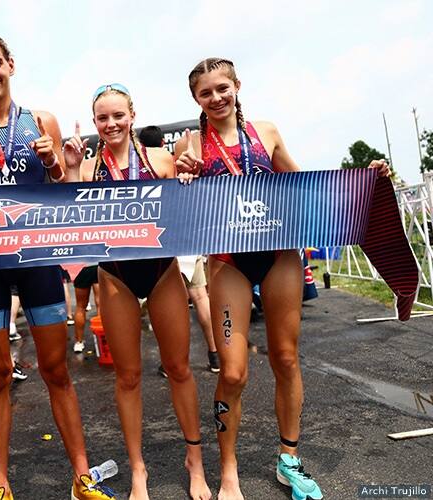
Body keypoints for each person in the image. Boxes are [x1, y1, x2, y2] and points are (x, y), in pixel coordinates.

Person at [173, 57, 390, 500]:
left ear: (237, 86)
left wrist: (361, 179)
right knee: (233, 373)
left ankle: (288, 459)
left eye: (222, 88)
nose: (216, 98)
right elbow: (183, 199)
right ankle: (228, 468)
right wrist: (186, 176)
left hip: (279, 254)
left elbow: (303, 182)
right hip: (229, 260)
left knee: (286, 359)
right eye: (205, 93)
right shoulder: (191, 143)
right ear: (196, 98)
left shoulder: (265, 131)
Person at [0, 31, 114, 500]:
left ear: (11, 65)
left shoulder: (41, 120)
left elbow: (57, 189)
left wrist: (57, 162)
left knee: (57, 370)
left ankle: (82, 478)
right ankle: (0, 486)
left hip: (37, 260)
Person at [63, 84, 211, 500]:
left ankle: (194, 461)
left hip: (162, 272)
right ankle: (138, 471)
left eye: (117, 116)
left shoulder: (160, 159)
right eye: (102, 118)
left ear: (132, 116)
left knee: (179, 368)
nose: (110, 124)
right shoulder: (90, 169)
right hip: (115, 277)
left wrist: (187, 178)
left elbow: (189, 207)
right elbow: (73, 223)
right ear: (95, 123)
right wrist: (73, 170)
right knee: (127, 377)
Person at [136, 125, 219, 373]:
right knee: (200, 296)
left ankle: (171, 360)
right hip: (186, 239)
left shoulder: (154, 166)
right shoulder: (167, 162)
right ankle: (214, 354)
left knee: (173, 301)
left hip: (166, 243)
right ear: (163, 142)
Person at [71, 265, 100, 353]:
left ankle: (79, 342)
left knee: (80, 307)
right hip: (99, 265)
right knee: (101, 305)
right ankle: (103, 340)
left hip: (82, 268)